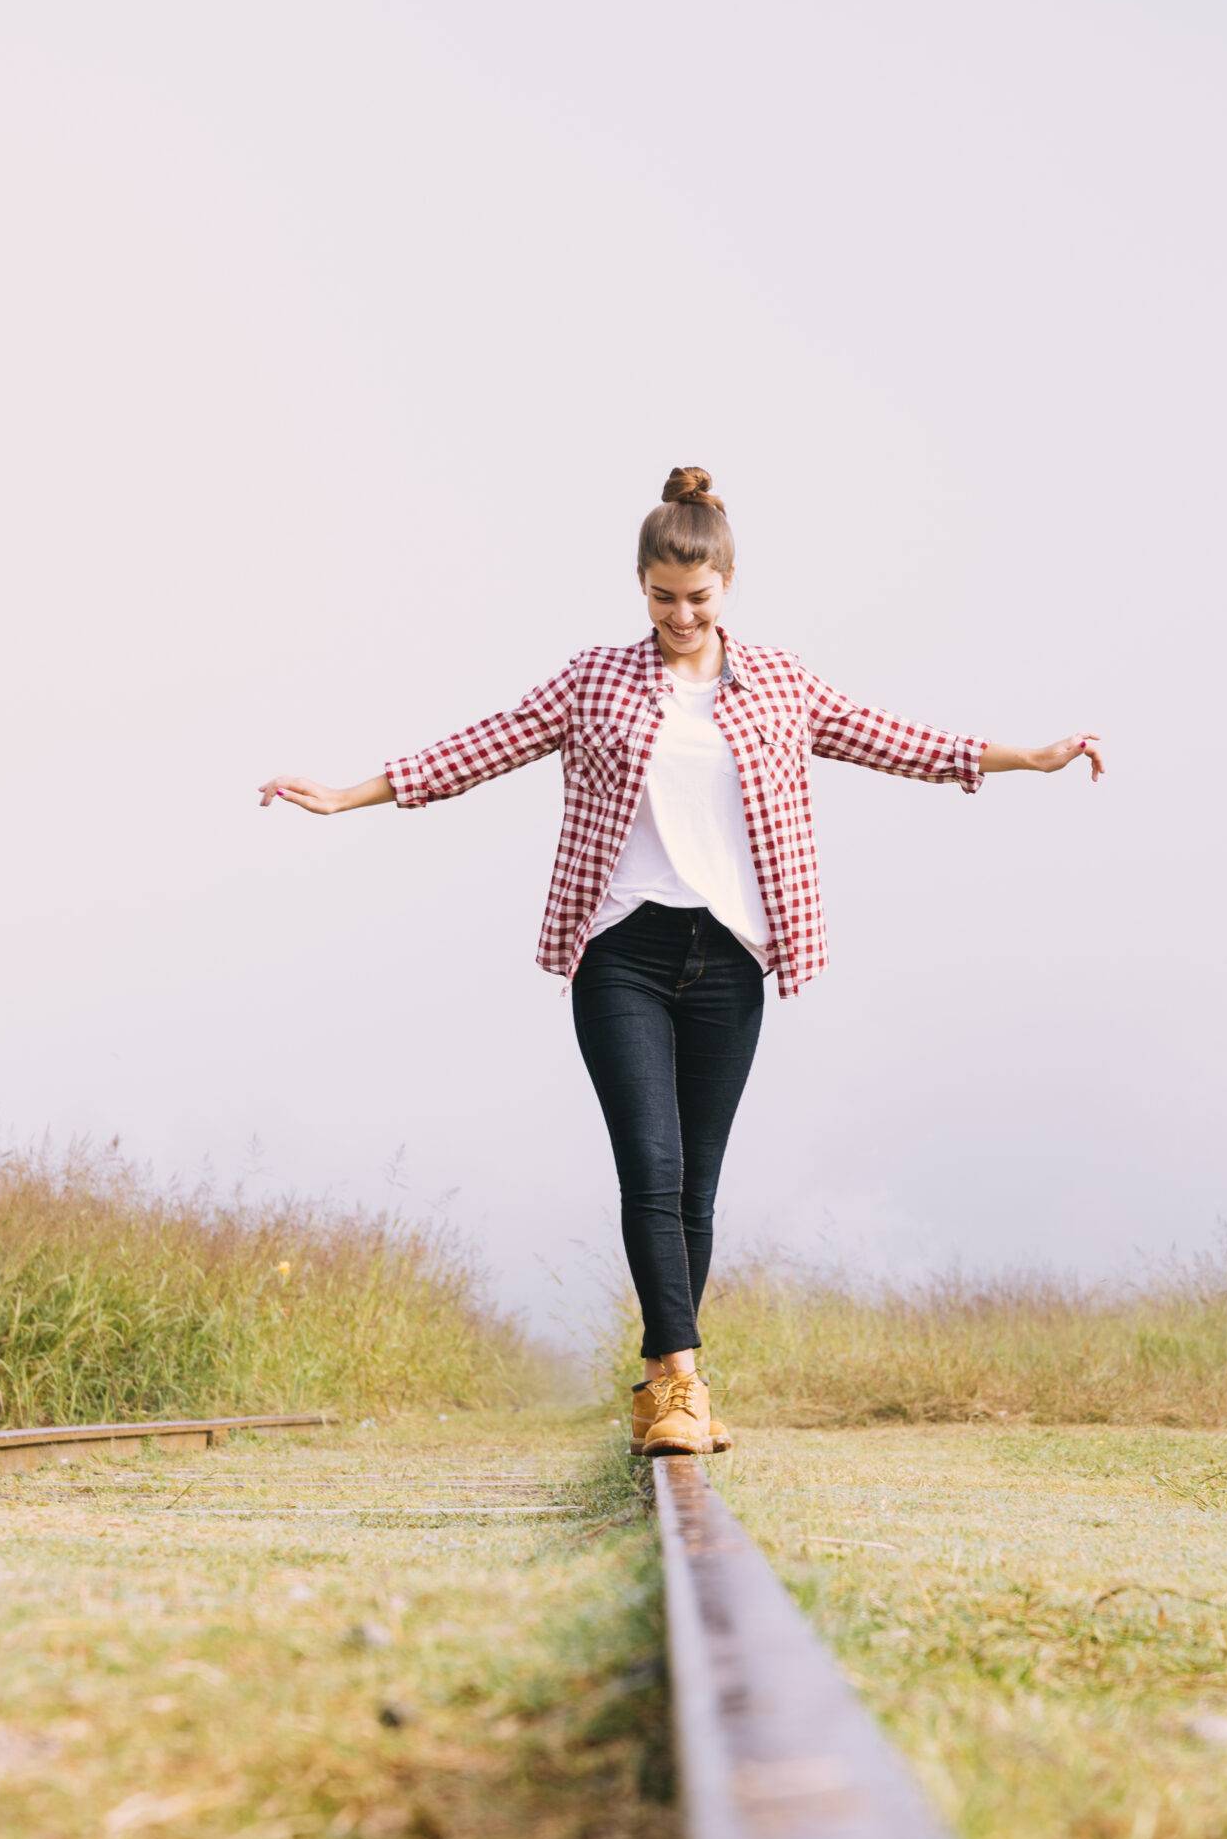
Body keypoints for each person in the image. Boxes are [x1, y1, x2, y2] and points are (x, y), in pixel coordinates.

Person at [259, 466, 1105, 1458]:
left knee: (696, 1184)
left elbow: (900, 741)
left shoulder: (781, 683)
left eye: (696, 597)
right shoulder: (593, 680)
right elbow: (479, 747)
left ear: (729, 583)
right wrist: (349, 793)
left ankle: (668, 1382)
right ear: (640, 585)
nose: (678, 615)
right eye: (661, 596)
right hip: (620, 947)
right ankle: (678, 1387)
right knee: (649, 1166)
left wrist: (1029, 758)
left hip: (730, 956)